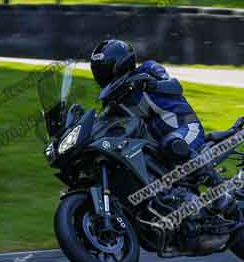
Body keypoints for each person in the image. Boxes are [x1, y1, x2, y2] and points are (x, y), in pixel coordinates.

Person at [89, 39, 235, 213]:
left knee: (172, 144)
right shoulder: (113, 100)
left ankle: (220, 190)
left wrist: (151, 84)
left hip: (185, 127)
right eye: (98, 70)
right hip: (156, 145)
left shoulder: (148, 70)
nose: (101, 74)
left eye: (103, 69)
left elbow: (176, 87)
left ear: (120, 64)